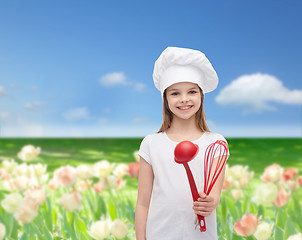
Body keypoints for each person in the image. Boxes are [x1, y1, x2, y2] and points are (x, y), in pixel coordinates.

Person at [135, 47, 230, 240]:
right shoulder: (151, 143)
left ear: (201, 96)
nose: (184, 99)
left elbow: (215, 195)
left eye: (192, 91)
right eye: (175, 93)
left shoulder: (216, 143)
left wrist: (210, 203)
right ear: (165, 99)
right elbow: (143, 203)